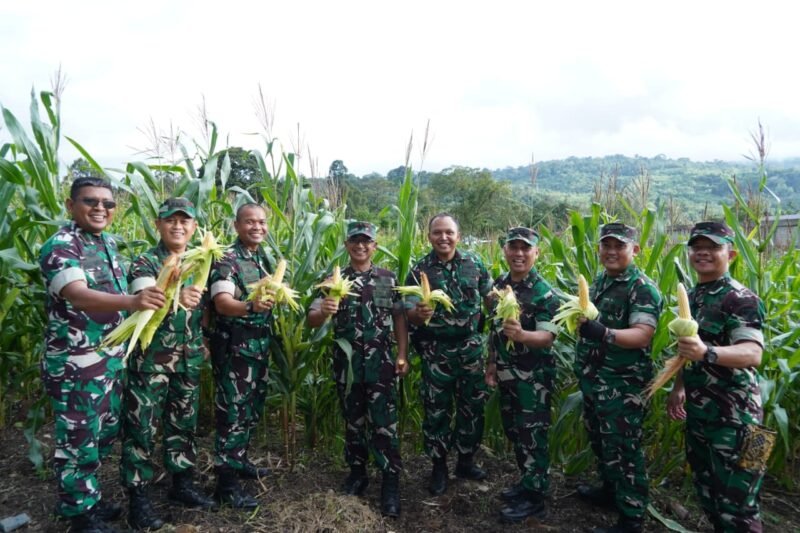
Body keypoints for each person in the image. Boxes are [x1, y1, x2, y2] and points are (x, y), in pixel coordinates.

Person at [39, 177, 165, 532]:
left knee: (102, 435)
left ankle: (89, 498)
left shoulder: (107, 243)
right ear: (70, 205)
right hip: (76, 363)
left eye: (107, 203)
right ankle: (78, 514)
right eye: (90, 201)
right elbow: (77, 294)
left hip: (109, 361)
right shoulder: (62, 245)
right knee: (79, 440)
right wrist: (133, 301)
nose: (100, 208)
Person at [119, 198, 217, 530]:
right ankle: (138, 497)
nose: (178, 226)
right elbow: (147, 296)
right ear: (158, 225)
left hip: (188, 360)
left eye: (184, 221)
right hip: (151, 362)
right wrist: (178, 295)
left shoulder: (200, 260)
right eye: (170, 220)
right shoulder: (145, 261)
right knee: (142, 429)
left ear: (193, 227)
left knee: (183, 426)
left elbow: (203, 307)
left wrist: (201, 338)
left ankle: (182, 484)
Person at [667, 222, 767, 532]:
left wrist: (707, 352)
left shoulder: (741, 298)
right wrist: (679, 386)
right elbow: (689, 350)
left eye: (713, 247)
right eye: (697, 247)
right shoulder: (696, 295)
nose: (703, 253)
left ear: (731, 254)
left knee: (739, 508)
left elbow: (753, 354)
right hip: (702, 415)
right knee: (709, 496)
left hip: (739, 421)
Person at [307, 221, 409, 517]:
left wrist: (402, 354)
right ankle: (357, 473)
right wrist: (324, 310)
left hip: (381, 365)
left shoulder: (388, 279)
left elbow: (400, 318)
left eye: (366, 241)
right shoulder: (332, 280)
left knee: (384, 423)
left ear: (375, 245)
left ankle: (390, 480)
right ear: (346, 244)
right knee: (353, 421)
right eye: (355, 241)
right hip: (347, 365)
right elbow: (312, 318)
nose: (360, 246)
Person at [574, 223, 662, 533]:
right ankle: (610, 493)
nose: (611, 251)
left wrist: (604, 333)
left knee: (624, 450)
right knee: (601, 441)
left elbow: (642, 335)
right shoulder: (600, 281)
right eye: (606, 245)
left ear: (634, 250)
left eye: (619, 246)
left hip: (622, 384)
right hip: (595, 379)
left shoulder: (642, 288)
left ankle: (632, 517)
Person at [405, 213, 493, 496]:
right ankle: (439, 466)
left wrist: (506, 309)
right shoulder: (420, 269)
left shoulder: (474, 263)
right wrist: (418, 314)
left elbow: (489, 298)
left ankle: (465, 460)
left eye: (449, 232)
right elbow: (407, 313)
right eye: (437, 232)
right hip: (436, 351)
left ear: (458, 235)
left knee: (472, 407)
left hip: (470, 348)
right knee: (436, 409)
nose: (443, 237)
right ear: (428, 236)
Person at [485, 227, 560, 523]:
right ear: (504, 250)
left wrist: (523, 335)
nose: (518, 253)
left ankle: (535, 497)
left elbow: (548, 337)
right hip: (506, 374)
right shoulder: (500, 285)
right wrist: (492, 362)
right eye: (513, 247)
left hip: (533, 379)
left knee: (532, 435)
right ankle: (527, 481)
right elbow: (494, 330)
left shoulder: (544, 292)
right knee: (516, 431)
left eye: (525, 248)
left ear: (536, 253)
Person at [207, 203, 274, 509]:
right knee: (232, 415)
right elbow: (222, 302)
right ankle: (226, 483)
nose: (257, 227)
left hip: (257, 351)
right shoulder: (227, 259)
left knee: (249, 411)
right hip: (235, 351)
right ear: (236, 226)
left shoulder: (261, 259)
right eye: (250, 222)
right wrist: (251, 307)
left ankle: (240, 460)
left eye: (261, 222)